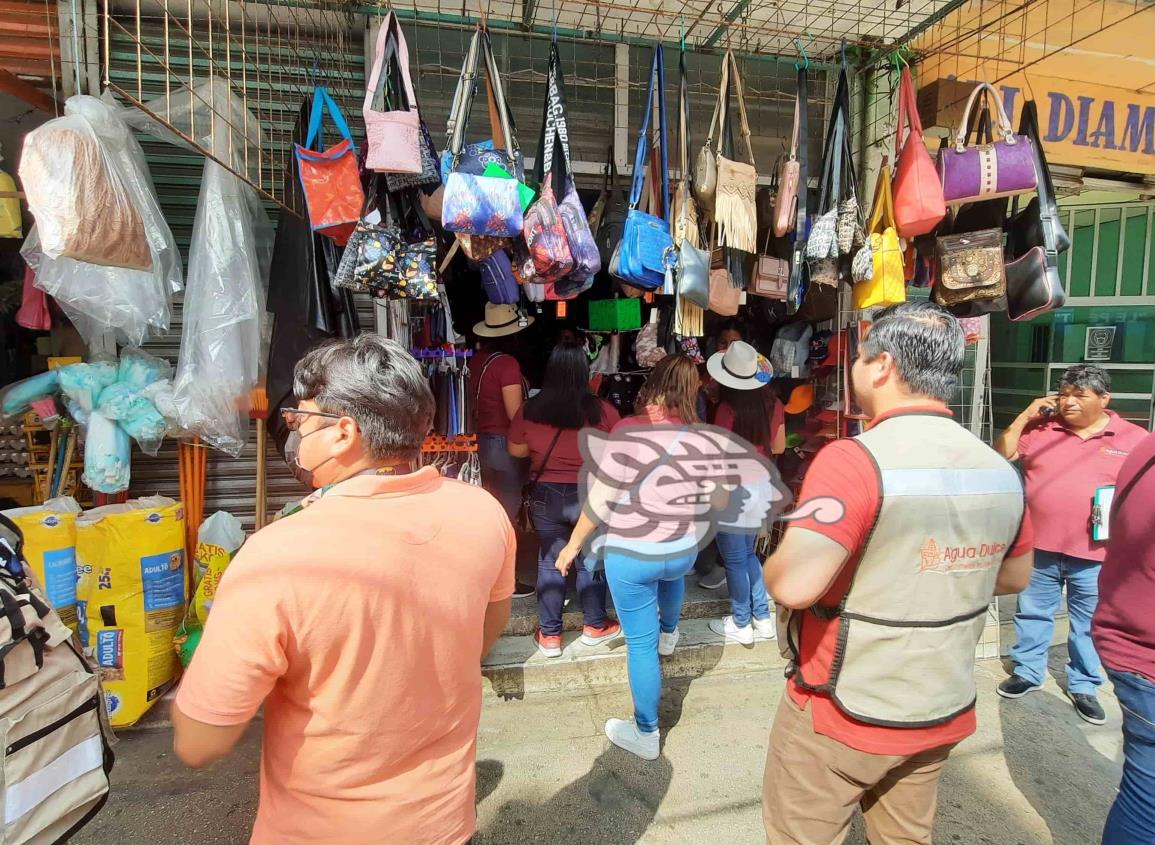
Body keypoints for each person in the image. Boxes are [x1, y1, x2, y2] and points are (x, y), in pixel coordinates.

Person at [171, 336, 516, 845]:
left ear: (343, 433)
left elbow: (200, 742)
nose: (293, 436)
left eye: (300, 422)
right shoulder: (483, 512)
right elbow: (482, 636)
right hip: (443, 825)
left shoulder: (276, 556)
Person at [761, 301, 1035, 845]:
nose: (855, 369)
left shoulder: (854, 459)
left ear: (882, 365)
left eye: (859, 359)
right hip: (941, 704)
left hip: (846, 706)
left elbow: (792, 585)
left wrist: (772, 549)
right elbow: (1014, 576)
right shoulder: (999, 469)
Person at [554, 355, 703, 761]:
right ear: (693, 391)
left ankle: (646, 732)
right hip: (682, 546)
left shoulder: (626, 430)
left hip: (634, 551)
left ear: (652, 384)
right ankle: (670, 633)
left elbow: (602, 499)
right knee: (671, 582)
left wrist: (572, 545)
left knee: (640, 645)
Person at [995, 364, 1148, 724]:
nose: (1069, 402)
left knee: (1088, 621)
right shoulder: (1040, 429)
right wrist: (1024, 416)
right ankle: (1028, 671)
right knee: (1032, 611)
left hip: (1097, 554)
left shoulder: (1132, 438)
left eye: (1079, 395)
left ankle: (1083, 685)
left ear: (1104, 398)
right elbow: (998, 456)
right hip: (1040, 546)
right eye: (1064, 394)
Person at [507, 343, 623, 657]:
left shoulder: (530, 409)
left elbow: (516, 451)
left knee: (549, 562)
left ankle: (550, 636)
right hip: (590, 495)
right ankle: (595, 626)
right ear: (585, 373)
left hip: (546, 494)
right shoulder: (602, 411)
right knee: (590, 561)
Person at [1093, 431, 1155, 844]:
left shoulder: (1139, 443)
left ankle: (1081, 684)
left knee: (1144, 795)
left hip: (1130, 643)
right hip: (1143, 653)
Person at [703, 340, 784, 645]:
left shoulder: (727, 408)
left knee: (735, 559)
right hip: (762, 486)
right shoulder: (773, 404)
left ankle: (741, 622)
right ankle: (763, 618)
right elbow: (778, 447)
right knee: (749, 554)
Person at [471, 301, 535, 598]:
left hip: (480, 444)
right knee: (506, 516)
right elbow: (515, 414)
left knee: (488, 512)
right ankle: (502, 580)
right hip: (503, 445)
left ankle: (483, 573)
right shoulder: (507, 364)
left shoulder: (475, 360)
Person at [698, 318, 749, 589]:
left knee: (737, 551)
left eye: (735, 344)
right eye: (723, 343)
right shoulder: (705, 379)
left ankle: (743, 612)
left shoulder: (736, 404)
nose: (728, 349)